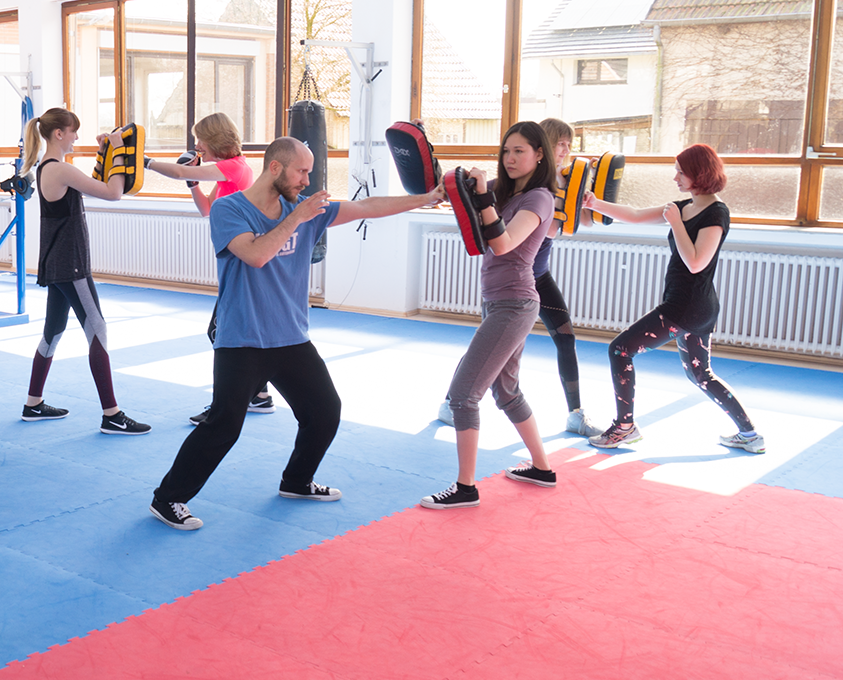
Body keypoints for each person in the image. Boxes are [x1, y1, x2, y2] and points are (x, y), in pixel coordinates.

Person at [150, 137, 443, 530]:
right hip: (243, 339)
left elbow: (368, 207)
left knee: (324, 412)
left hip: (290, 337)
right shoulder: (229, 209)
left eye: (309, 171)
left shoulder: (304, 209)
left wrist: (426, 198)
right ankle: (167, 499)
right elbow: (256, 255)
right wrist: (297, 219)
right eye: (301, 171)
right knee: (223, 426)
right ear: (275, 168)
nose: (307, 179)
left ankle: (297, 480)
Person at [584, 144, 763, 453]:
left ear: (699, 174)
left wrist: (676, 223)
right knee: (700, 374)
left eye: (681, 172)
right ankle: (750, 435)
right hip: (696, 307)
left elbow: (696, 262)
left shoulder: (716, 212)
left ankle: (625, 426)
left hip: (686, 307)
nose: (675, 178)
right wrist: (594, 202)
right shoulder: (684, 206)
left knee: (620, 350)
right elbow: (637, 216)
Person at [421, 121, 561, 510]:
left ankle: (466, 488)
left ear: (539, 155)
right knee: (507, 391)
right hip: (497, 302)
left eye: (520, 151)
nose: (511, 158)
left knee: (464, 396)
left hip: (515, 303)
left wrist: (482, 193)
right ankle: (542, 468)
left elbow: (502, 243)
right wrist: (460, 186)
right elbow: (472, 217)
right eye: (506, 151)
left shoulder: (539, 199)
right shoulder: (505, 192)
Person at [436, 118, 601, 436]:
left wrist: (583, 202)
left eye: (570, 144)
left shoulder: (560, 185)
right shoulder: (521, 186)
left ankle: (575, 414)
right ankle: (452, 401)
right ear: (543, 149)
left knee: (564, 339)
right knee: (490, 352)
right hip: (508, 280)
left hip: (535, 277)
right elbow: (501, 230)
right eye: (561, 144)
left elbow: (578, 226)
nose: (566, 150)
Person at [19, 108, 150, 434]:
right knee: (98, 330)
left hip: (58, 261)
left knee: (54, 330)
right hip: (70, 264)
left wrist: (106, 151)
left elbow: (96, 179)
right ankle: (111, 414)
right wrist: (118, 151)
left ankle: (33, 404)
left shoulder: (48, 167)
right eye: (72, 131)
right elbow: (113, 193)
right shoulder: (60, 169)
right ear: (58, 134)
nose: (77, 137)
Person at [146, 112, 274, 424]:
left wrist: (143, 162)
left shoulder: (234, 167)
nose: (197, 145)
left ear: (215, 140)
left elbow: (176, 172)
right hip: (235, 263)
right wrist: (193, 183)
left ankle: (227, 406)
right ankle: (258, 395)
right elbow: (207, 209)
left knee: (221, 333)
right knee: (232, 333)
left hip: (243, 263)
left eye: (200, 139)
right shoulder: (227, 174)